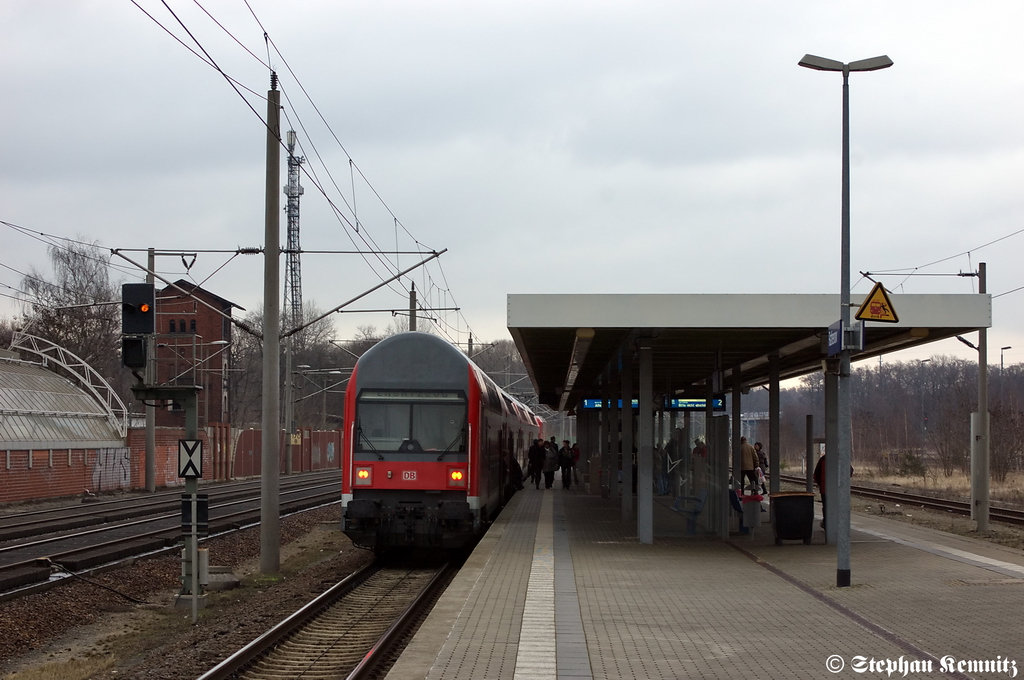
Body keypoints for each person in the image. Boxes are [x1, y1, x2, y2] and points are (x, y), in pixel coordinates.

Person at [813, 453, 854, 529]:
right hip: (840, 490)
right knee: (840, 507)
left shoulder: (823, 459)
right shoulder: (842, 458)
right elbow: (850, 472)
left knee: (826, 507)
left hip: (825, 489)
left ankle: (827, 524)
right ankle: (840, 524)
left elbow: (816, 475)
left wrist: (821, 484)